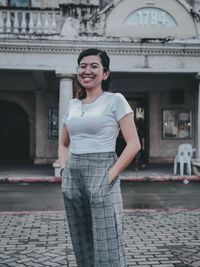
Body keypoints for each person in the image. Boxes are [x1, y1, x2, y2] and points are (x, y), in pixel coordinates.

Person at [58, 48, 141, 267]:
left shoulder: (115, 100)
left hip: (103, 169)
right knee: (81, 237)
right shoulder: (72, 105)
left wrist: (109, 176)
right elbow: (64, 143)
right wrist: (65, 170)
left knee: (108, 238)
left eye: (94, 66)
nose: (87, 70)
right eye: (82, 66)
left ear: (105, 74)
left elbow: (134, 144)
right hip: (73, 172)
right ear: (77, 71)